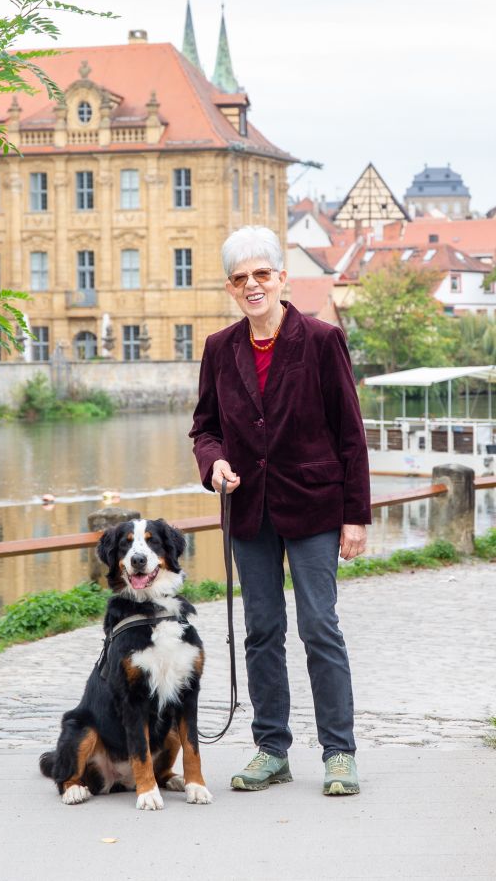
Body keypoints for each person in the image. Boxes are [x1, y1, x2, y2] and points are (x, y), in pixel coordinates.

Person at [189, 225, 371, 796]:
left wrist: (355, 515)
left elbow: (350, 432)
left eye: (261, 274)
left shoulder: (320, 340)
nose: (252, 285)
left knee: (320, 627)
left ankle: (338, 752)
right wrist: (213, 463)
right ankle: (272, 748)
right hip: (249, 511)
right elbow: (205, 428)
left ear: (282, 278)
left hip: (315, 506)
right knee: (261, 631)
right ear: (230, 288)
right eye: (241, 278)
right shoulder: (221, 348)